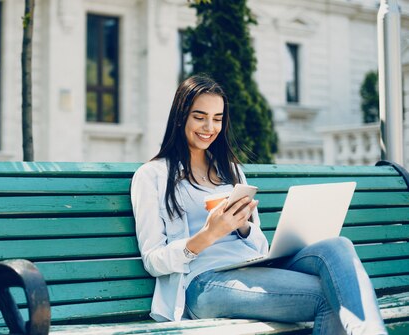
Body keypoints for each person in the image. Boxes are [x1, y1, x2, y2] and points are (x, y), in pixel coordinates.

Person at [130, 74, 387, 335]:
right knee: (332, 294)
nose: (209, 127)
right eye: (199, 117)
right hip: (202, 283)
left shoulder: (231, 172)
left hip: (252, 268)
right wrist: (208, 235)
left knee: (337, 245)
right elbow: (153, 261)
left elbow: (259, 247)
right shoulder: (152, 176)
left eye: (217, 119)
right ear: (180, 116)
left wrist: (243, 228)